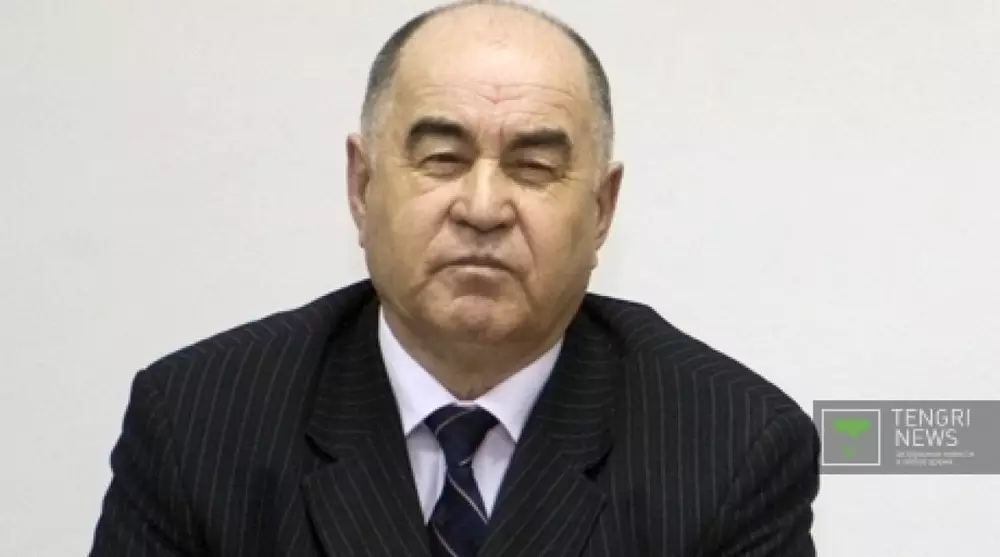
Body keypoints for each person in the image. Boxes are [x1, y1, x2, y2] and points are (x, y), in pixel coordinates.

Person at [89, 1, 820, 556]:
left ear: (601, 210)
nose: (483, 208)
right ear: (361, 185)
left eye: (534, 166)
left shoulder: (732, 447)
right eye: (442, 158)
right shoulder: (197, 422)